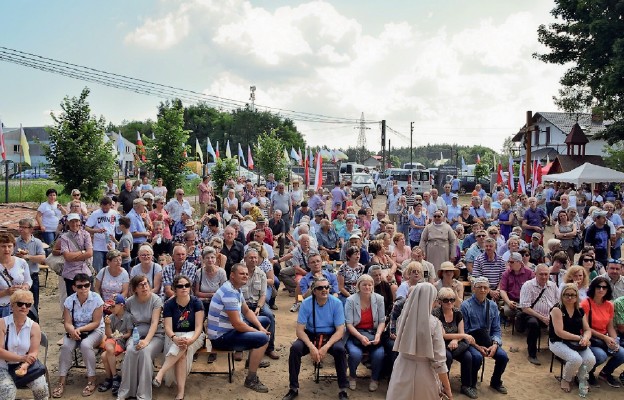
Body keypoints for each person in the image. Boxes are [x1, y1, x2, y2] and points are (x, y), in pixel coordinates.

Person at [207, 263, 272, 393]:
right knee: (263, 338)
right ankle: (251, 379)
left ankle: (251, 361)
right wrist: (259, 331)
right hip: (221, 337)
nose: (246, 276)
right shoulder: (229, 292)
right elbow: (238, 324)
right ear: (232, 275)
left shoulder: (236, 288)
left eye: (247, 274)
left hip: (230, 330)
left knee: (265, 320)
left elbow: (247, 311)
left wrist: (260, 327)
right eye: (242, 273)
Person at [281, 276, 349, 400]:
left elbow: (340, 331)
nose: (324, 290)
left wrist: (326, 347)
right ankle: (293, 388)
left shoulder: (337, 303)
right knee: (295, 349)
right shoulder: (306, 303)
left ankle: (343, 389)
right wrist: (311, 347)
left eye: (327, 287)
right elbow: (299, 330)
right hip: (311, 335)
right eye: (320, 287)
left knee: (340, 350)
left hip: (331, 336)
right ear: (314, 291)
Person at [387, 283, 452, 400]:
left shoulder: (402, 318)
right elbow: (439, 361)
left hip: (402, 369)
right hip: (425, 373)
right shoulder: (434, 323)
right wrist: (447, 388)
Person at [152, 275, 205, 400]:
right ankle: (180, 393)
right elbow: (168, 328)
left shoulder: (196, 302)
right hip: (174, 336)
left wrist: (191, 340)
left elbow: (199, 327)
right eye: (180, 286)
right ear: (174, 289)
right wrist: (175, 338)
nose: (184, 288)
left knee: (184, 344)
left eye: (187, 285)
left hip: (195, 335)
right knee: (182, 354)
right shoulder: (169, 304)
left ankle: (161, 372)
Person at [54, 273, 104, 398]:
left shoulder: (96, 299)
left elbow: (96, 322)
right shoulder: (69, 301)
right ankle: (61, 381)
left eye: (86, 285)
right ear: (74, 288)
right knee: (66, 347)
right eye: (80, 286)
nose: (83, 289)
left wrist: (79, 330)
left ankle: (92, 379)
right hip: (75, 330)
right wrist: (72, 330)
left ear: (90, 285)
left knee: (86, 346)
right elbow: (67, 322)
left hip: (94, 330)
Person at [116, 275, 165, 400]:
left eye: (146, 283)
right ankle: (127, 391)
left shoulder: (156, 300)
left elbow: (154, 323)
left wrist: (146, 341)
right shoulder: (129, 302)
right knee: (131, 351)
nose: (144, 287)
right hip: (136, 333)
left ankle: (143, 394)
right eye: (140, 285)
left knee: (144, 352)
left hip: (155, 335)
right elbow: (123, 317)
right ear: (135, 289)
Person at [461, 277, 508, 395]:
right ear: (473, 289)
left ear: (488, 290)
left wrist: (495, 345)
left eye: (485, 287)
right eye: (479, 287)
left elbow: (496, 329)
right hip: (471, 341)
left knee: (503, 357)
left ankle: (496, 381)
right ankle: (470, 384)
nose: (482, 290)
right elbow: (464, 332)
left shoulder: (492, 305)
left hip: (488, 340)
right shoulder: (465, 306)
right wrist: (478, 347)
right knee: (476, 357)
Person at [0, 290, 48, 400]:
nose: (24, 307)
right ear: (12, 306)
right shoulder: (2, 323)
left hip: (26, 365)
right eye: (20, 303)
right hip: (2, 366)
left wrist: (25, 365)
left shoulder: (34, 326)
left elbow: (34, 352)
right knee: (7, 391)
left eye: (28, 304)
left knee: (42, 390)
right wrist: (21, 358)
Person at [433, 287, 479, 399]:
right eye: (446, 300)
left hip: (456, 343)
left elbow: (461, 331)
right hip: (440, 343)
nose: (449, 302)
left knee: (468, 356)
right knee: (446, 357)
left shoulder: (458, 313)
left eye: (452, 299)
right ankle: (443, 386)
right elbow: (442, 335)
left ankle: (466, 386)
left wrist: (455, 340)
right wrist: (463, 336)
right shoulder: (436, 313)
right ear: (440, 302)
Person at [549, 283, 596, 393]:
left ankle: (580, 378)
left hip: (576, 341)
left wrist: (586, 338)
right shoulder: (557, 309)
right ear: (562, 295)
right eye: (566, 295)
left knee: (590, 359)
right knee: (575, 359)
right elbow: (559, 332)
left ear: (577, 296)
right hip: (557, 341)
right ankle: (566, 379)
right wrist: (580, 338)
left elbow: (587, 329)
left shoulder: (580, 309)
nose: (570, 297)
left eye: (573, 295)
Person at [344, 275, 386, 392]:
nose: (367, 287)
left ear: (373, 286)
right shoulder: (351, 300)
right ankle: (352, 376)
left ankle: (374, 378)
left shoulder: (379, 299)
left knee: (379, 354)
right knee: (355, 354)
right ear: (359, 286)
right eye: (364, 284)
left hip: (373, 332)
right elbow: (349, 324)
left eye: (370, 284)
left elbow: (382, 321)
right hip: (355, 334)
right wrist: (360, 337)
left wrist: (378, 335)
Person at [580, 276, 624, 387]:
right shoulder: (585, 304)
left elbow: (610, 327)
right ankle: (588, 373)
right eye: (598, 287)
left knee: (622, 353)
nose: (601, 290)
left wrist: (614, 340)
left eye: (604, 287)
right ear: (593, 288)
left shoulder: (609, 305)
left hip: (604, 338)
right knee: (601, 356)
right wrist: (605, 338)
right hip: (589, 338)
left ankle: (605, 373)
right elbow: (586, 328)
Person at [240, 248, 279, 360]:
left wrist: (258, 307)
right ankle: (240, 348)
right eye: (251, 257)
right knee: (239, 318)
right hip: (243, 304)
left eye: (255, 257)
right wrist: (245, 307)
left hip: (257, 303)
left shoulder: (261, 274)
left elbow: (263, 295)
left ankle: (270, 348)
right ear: (245, 258)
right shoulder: (240, 272)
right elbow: (237, 292)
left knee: (270, 316)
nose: (253, 260)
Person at [517, 264, 558, 365]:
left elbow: (558, 302)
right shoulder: (528, 285)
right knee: (533, 324)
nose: (544, 277)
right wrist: (542, 318)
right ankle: (532, 354)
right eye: (541, 274)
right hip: (532, 314)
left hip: (550, 315)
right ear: (535, 274)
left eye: (546, 274)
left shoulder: (552, 285)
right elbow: (525, 307)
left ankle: (558, 352)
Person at [97, 294, 132, 394]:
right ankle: (113, 377)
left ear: (121, 305)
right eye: (109, 307)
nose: (111, 309)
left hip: (120, 343)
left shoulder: (128, 316)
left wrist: (120, 336)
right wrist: (107, 325)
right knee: (104, 355)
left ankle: (112, 378)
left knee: (106, 351)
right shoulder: (111, 317)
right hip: (112, 344)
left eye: (113, 306)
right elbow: (108, 334)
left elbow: (129, 333)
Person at [14, 218, 46, 313]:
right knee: (18, 304)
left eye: (24, 227)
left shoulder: (37, 242)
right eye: (20, 227)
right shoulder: (15, 242)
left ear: (31, 229)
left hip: (33, 276)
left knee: (33, 303)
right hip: (18, 278)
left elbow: (42, 258)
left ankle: (34, 325)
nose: (21, 229)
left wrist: (27, 257)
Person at [0, 233, 32, 318]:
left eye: (9, 246)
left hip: (19, 305)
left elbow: (28, 281)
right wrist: (5, 292)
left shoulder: (21, 262)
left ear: (14, 247)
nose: (7, 249)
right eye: (3, 246)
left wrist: (25, 287)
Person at [85, 197, 119, 273]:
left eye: (107, 209)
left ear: (110, 205)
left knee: (110, 268)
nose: (105, 210)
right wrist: (96, 231)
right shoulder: (95, 214)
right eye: (103, 208)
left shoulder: (114, 213)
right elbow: (87, 227)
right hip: (98, 246)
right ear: (101, 205)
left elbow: (118, 228)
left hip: (110, 245)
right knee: (98, 269)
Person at [499, 252, 535, 320]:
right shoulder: (506, 273)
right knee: (508, 311)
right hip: (512, 300)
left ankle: (521, 317)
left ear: (519, 262)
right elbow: (503, 290)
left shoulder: (529, 272)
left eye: (512, 262)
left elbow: (534, 288)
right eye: (509, 261)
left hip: (526, 300)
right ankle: (522, 316)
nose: (509, 264)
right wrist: (508, 302)